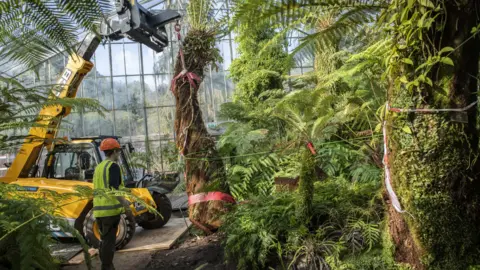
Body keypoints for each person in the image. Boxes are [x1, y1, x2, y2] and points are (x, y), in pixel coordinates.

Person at [92, 138, 129, 270]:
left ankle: (107, 265)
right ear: (114, 151)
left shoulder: (99, 168)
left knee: (104, 240)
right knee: (109, 242)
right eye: (118, 152)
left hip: (98, 211)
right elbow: (114, 189)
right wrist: (125, 204)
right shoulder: (113, 166)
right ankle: (107, 267)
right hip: (110, 211)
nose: (118, 154)